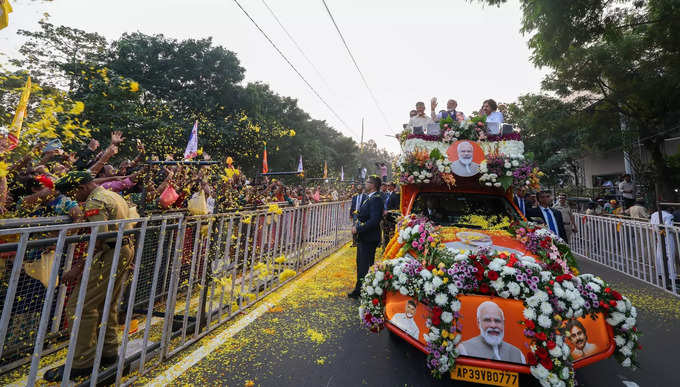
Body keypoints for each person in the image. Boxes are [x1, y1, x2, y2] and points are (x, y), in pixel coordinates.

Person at [44, 171, 135, 382]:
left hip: (110, 252)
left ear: (83, 187)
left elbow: (99, 237)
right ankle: (109, 353)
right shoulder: (112, 195)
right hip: (123, 249)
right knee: (106, 304)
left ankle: (82, 363)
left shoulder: (95, 201)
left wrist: (78, 267)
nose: (75, 199)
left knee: (80, 306)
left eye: (74, 193)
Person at [348, 175, 383, 299]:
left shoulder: (376, 199)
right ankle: (361, 288)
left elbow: (374, 220)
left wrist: (358, 228)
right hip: (365, 237)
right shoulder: (369, 197)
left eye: (367, 182)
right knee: (361, 264)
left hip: (369, 237)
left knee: (364, 265)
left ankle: (362, 290)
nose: (365, 184)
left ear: (373, 185)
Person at [457, 301, 526, 364]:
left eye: (497, 321)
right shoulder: (465, 349)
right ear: (478, 323)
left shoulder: (518, 354)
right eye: (487, 320)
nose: (493, 325)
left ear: (503, 323)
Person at [650, 205, 677, 283]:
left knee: (659, 253)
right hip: (667, 236)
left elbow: (652, 225)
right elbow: (669, 227)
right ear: (668, 208)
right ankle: (671, 275)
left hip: (658, 234)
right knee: (670, 254)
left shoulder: (654, 214)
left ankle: (660, 273)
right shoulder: (669, 215)